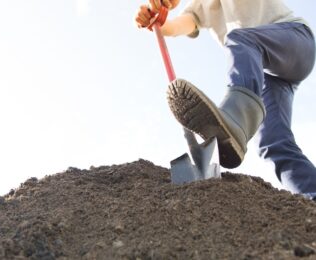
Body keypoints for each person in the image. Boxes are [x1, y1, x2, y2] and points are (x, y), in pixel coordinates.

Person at [135, 0, 316, 199]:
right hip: (271, 75)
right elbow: (178, 25)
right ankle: (312, 195)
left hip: (296, 40)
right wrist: (157, 20)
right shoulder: (201, 6)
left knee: (240, 39)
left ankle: (237, 118)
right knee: (272, 142)